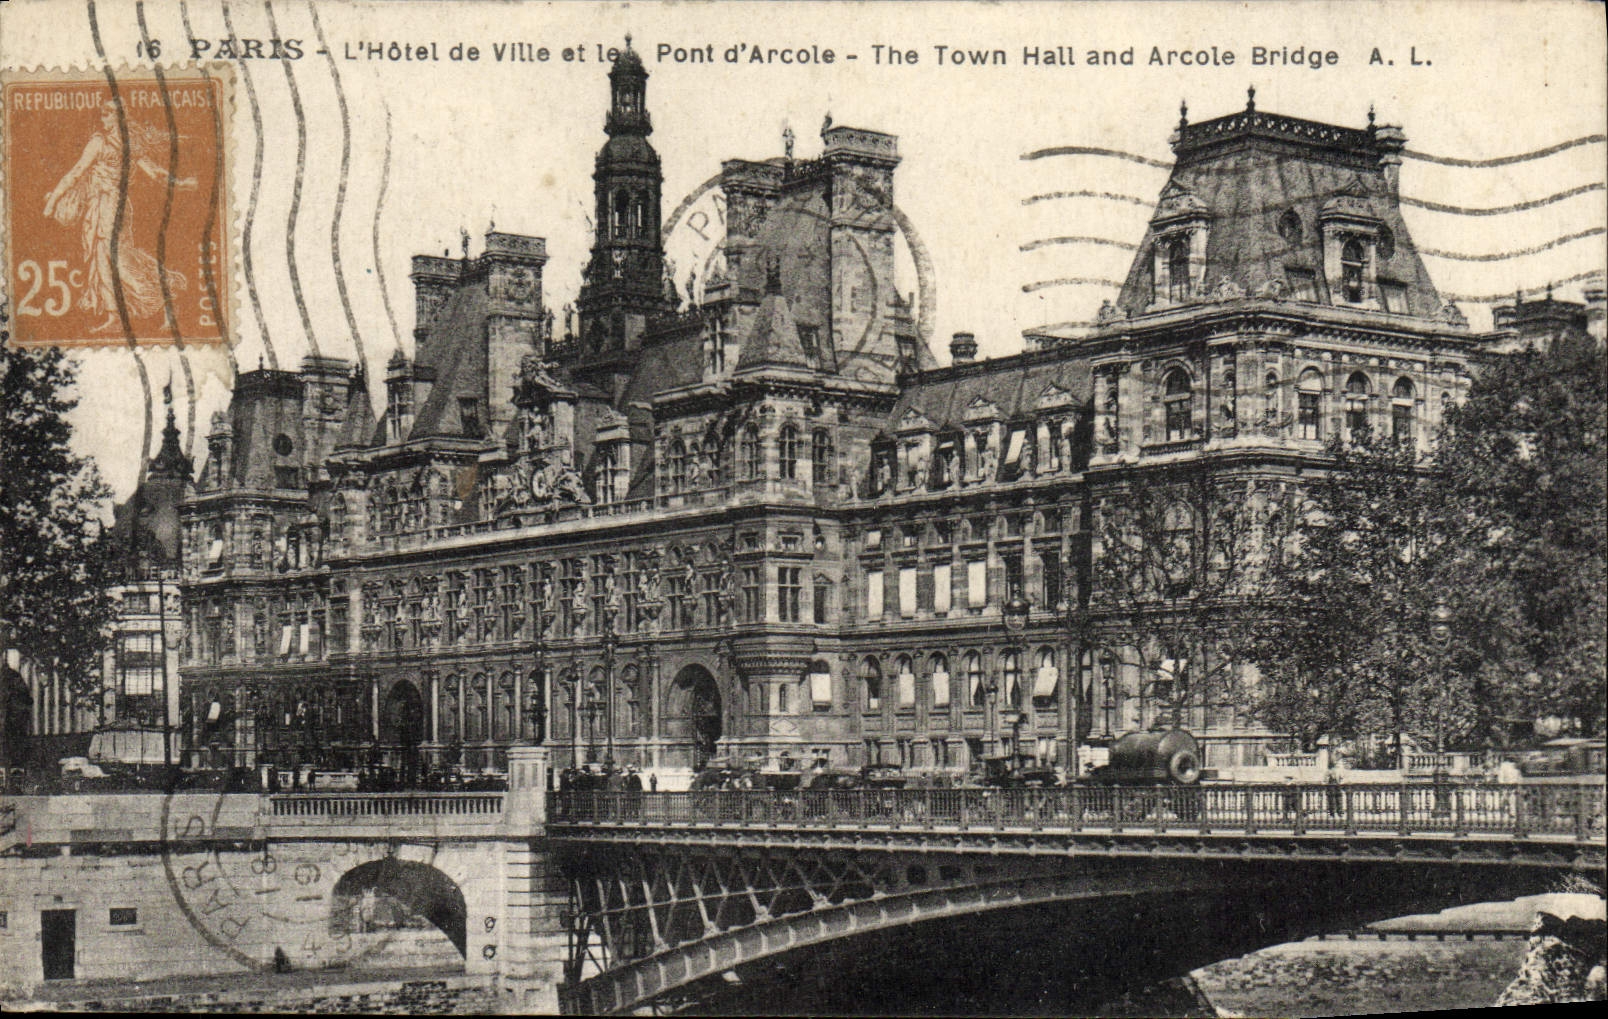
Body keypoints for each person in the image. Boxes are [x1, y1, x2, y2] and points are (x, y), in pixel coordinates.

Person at [42, 104, 197, 333]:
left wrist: (52, 202)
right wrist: (180, 183)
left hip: (111, 206)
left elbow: (76, 173)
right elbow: (79, 173)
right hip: (108, 206)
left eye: (107, 114)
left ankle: (166, 298)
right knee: (103, 260)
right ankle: (114, 316)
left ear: (118, 118)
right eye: (103, 113)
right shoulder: (116, 144)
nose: (102, 118)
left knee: (121, 262)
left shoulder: (106, 144)